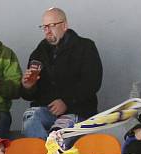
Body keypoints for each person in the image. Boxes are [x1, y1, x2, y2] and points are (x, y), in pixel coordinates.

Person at [21, 7, 102, 139]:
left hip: (78, 111)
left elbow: (92, 83)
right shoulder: (38, 53)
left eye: (51, 25)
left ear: (64, 25)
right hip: (46, 110)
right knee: (29, 117)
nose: (47, 30)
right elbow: (29, 95)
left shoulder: (85, 47)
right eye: (44, 27)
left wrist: (66, 101)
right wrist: (28, 87)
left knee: (58, 132)